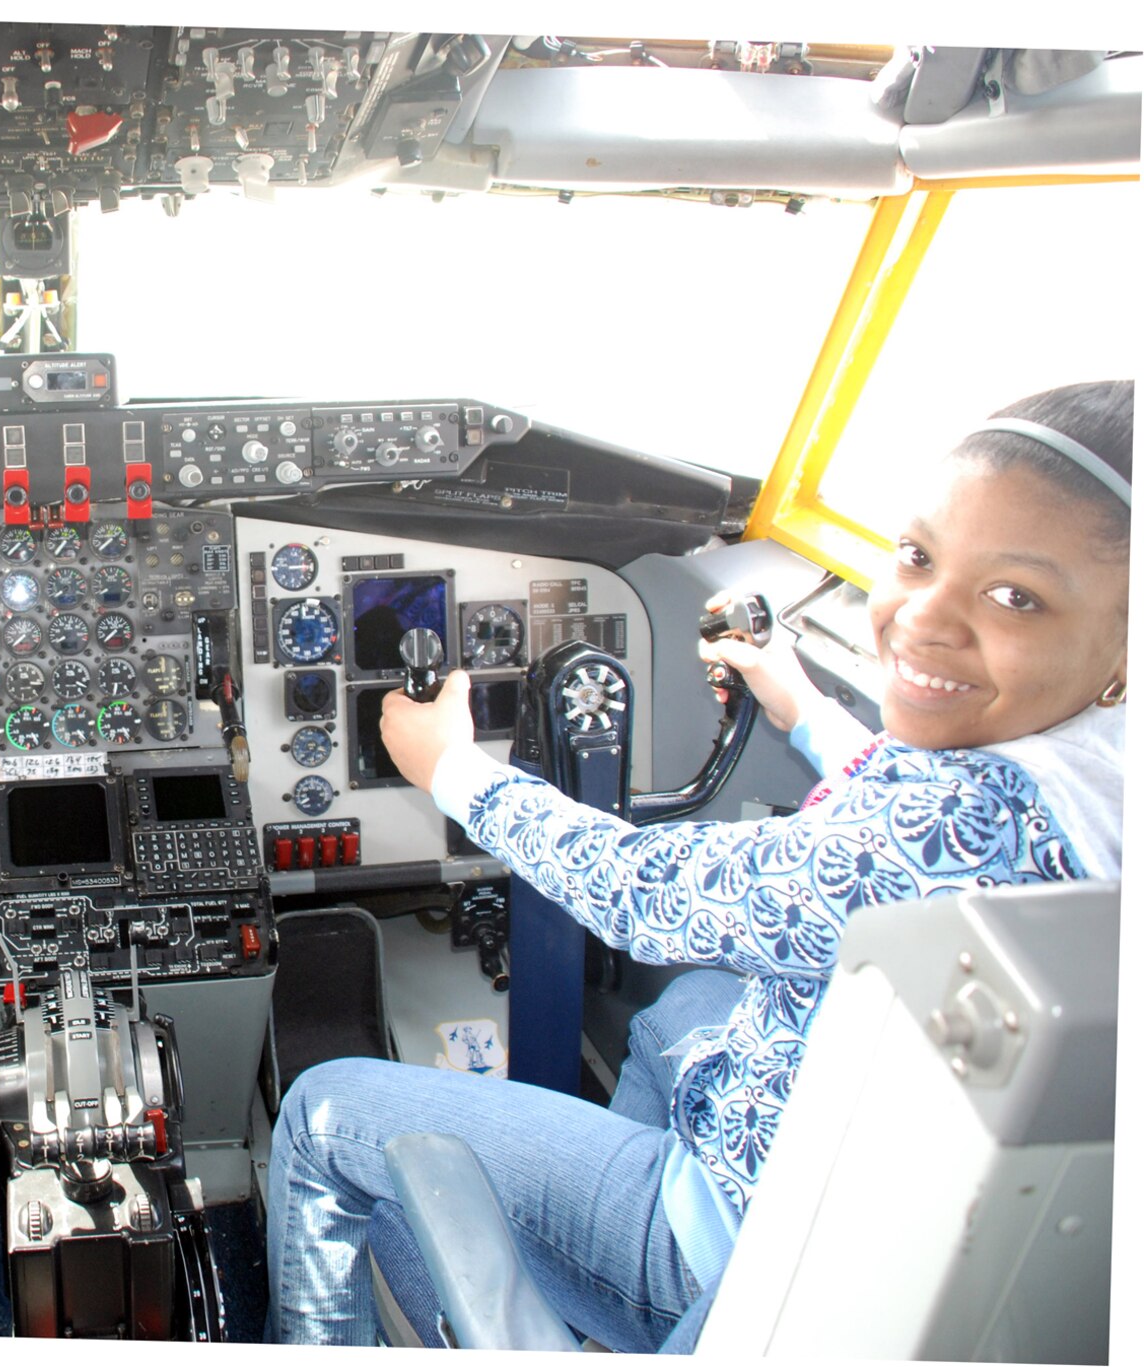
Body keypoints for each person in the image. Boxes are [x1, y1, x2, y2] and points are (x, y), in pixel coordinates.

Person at [265, 379, 1130, 1350]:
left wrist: (451, 767)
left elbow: (642, 891)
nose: (922, 618)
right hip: (836, 1166)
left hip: (737, 1244)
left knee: (321, 1113)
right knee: (679, 1011)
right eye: (915, 556)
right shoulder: (1088, 771)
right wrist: (794, 698)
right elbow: (906, 831)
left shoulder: (954, 819)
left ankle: (579, 1285)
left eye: (1013, 594)